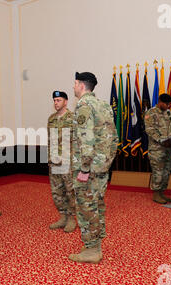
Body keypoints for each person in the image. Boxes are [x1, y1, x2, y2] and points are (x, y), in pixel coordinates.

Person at [69, 72, 118, 264]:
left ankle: (91, 250)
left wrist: (85, 168)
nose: (73, 87)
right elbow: (114, 138)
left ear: (81, 85)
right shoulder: (104, 105)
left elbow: (85, 139)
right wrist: (105, 162)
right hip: (102, 166)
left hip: (88, 167)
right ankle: (95, 242)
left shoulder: (83, 105)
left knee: (86, 206)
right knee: (97, 204)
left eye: (74, 83)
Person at [47, 91, 77, 233]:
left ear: (65, 101)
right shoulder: (51, 119)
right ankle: (63, 216)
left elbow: (78, 141)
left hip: (68, 162)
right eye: (54, 100)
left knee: (70, 191)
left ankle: (71, 218)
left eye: (59, 100)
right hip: (54, 161)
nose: (56, 103)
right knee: (57, 191)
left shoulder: (73, 118)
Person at [144, 93, 171, 204]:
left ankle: (162, 193)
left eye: (169, 104)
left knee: (166, 171)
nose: (168, 106)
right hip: (156, 149)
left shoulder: (168, 113)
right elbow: (150, 130)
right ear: (160, 102)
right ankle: (156, 194)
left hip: (167, 148)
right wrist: (162, 140)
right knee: (158, 172)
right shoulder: (151, 113)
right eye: (166, 104)